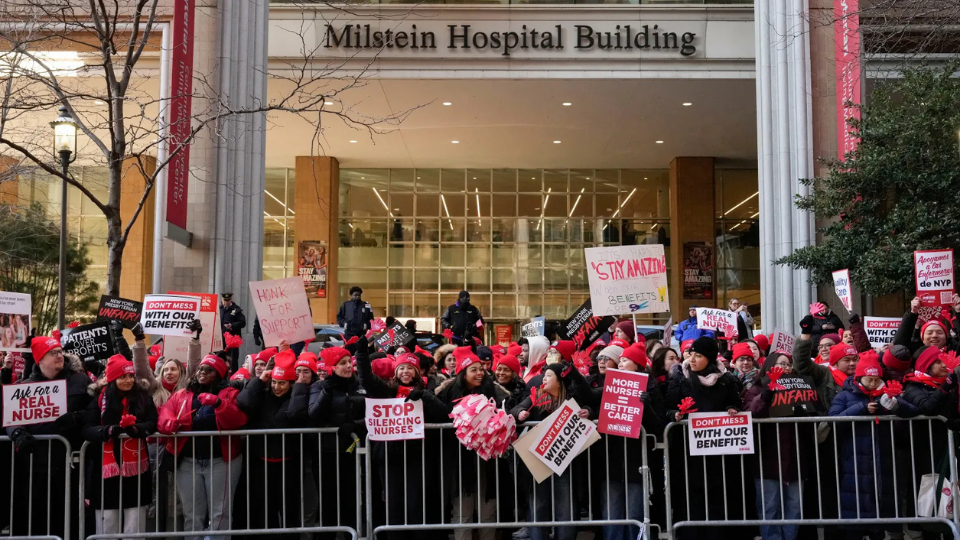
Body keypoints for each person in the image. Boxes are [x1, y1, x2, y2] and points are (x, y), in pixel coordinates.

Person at [355, 341, 448, 540]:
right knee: (394, 504)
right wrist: (362, 354)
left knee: (416, 504)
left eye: (410, 368)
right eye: (402, 368)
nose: (406, 372)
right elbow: (367, 380)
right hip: (391, 457)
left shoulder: (427, 390)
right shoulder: (387, 390)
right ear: (396, 372)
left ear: (417, 372)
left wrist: (425, 397)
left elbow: (443, 414)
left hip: (418, 457)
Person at [6, 335, 94, 538]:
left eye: (59, 351)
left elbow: (95, 410)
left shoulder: (80, 380)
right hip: (37, 465)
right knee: (39, 516)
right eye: (52, 353)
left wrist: (77, 416)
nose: (59, 356)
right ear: (40, 359)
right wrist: (17, 432)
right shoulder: (24, 386)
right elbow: (10, 419)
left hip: (71, 462)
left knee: (70, 517)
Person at [157, 354, 248, 540]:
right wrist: (169, 423)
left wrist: (219, 404)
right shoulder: (182, 395)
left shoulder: (230, 394)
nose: (202, 373)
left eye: (209, 370)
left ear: (219, 375)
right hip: (188, 463)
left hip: (221, 462)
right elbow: (166, 413)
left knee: (220, 514)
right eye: (201, 369)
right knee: (192, 514)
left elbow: (237, 420)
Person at [829, 351, 917, 540]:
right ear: (859, 377)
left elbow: (912, 411)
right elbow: (833, 420)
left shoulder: (886, 392)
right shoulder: (845, 396)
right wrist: (861, 408)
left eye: (877, 380)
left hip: (883, 457)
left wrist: (895, 405)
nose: (873, 384)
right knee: (855, 505)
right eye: (869, 379)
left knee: (880, 504)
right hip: (854, 458)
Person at [667, 336, 743, 540]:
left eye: (698, 355)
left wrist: (732, 408)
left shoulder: (726, 380)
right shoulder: (680, 379)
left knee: (718, 494)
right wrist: (675, 415)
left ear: (709, 358)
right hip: (688, 452)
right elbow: (668, 408)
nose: (692, 359)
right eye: (691, 354)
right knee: (691, 495)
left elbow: (735, 402)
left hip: (719, 453)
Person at [743, 352, 823, 540]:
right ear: (769, 366)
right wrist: (766, 395)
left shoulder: (801, 387)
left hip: (796, 459)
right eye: (781, 364)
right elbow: (749, 415)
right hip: (767, 459)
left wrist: (805, 414)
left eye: (788, 364)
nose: (786, 368)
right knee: (769, 506)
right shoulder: (756, 389)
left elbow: (813, 424)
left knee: (794, 507)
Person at [435, 347, 512, 540]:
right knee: (463, 512)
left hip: (488, 461)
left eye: (481, 369)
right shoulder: (447, 391)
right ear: (463, 372)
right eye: (474, 370)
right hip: (460, 462)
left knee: (488, 511)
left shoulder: (494, 390)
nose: (479, 373)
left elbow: (509, 408)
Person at [236, 349, 313, 538]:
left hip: (289, 464)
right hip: (261, 463)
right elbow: (243, 403)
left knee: (289, 510)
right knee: (265, 511)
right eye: (274, 382)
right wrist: (260, 379)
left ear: (291, 384)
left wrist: (299, 389)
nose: (277, 387)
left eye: (282, 383)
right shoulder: (262, 394)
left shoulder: (296, 396)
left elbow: (293, 415)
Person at [510, 364, 589, 540]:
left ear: (560, 381)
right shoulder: (536, 396)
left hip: (565, 463)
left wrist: (588, 412)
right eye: (544, 375)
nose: (543, 379)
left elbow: (590, 407)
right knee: (539, 504)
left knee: (565, 505)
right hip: (539, 462)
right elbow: (515, 409)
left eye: (549, 375)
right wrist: (520, 413)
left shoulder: (572, 399)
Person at [82, 354, 157, 537]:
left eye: (131, 376)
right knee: (108, 522)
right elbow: (87, 428)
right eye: (123, 376)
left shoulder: (143, 398)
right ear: (113, 379)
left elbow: (152, 422)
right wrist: (109, 430)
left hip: (136, 470)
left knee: (135, 524)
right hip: (106, 470)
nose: (129, 380)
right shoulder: (99, 399)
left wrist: (136, 429)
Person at [308, 345, 366, 534]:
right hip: (327, 452)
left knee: (351, 499)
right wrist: (327, 393)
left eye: (349, 362)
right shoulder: (320, 386)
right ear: (332, 367)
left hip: (353, 451)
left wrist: (355, 425)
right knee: (328, 501)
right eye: (342, 363)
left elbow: (373, 415)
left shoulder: (359, 385)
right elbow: (314, 414)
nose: (348, 366)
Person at [220, 293, 247, 372]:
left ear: (231, 300)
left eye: (228, 300)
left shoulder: (237, 310)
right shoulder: (219, 309)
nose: (226, 302)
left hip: (232, 340)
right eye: (224, 300)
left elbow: (243, 323)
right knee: (220, 358)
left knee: (232, 360)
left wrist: (232, 325)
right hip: (221, 339)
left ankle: (233, 375)